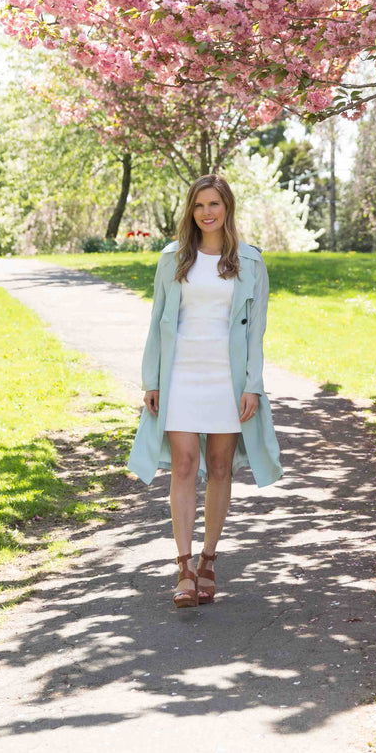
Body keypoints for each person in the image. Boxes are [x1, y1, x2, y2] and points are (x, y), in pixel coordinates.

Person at [125, 174, 284, 608]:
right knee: (182, 465)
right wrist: (152, 379)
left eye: (214, 204)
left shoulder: (249, 262)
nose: (206, 212)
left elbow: (256, 332)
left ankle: (210, 560)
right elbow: (159, 321)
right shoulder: (173, 258)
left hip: (226, 378)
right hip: (181, 375)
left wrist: (253, 384)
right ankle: (183, 566)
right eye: (199, 205)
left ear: (227, 209)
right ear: (190, 211)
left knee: (219, 467)